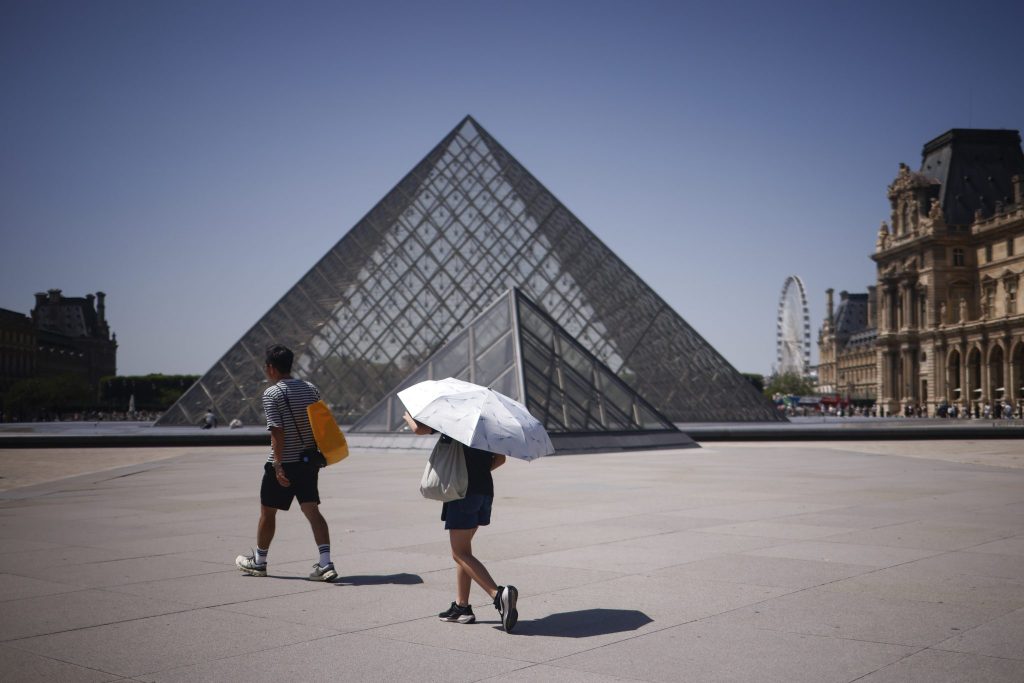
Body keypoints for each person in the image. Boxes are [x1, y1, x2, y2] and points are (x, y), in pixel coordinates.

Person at [404, 411, 519, 633]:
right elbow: (500, 459)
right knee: (464, 551)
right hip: (484, 492)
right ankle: (462, 607)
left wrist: (407, 416)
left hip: (461, 492)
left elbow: (419, 429)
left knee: (460, 553)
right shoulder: (487, 426)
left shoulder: (455, 420)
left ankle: (498, 595)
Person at [235, 345, 337, 582]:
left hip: (284, 463)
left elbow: (277, 433)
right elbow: (319, 425)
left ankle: (259, 562)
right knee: (312, 511)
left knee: (267, 513)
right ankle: (325, 563)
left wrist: (278, 465)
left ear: (271, 368)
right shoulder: (311, 389)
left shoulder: (272, 394)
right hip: (308, 461)